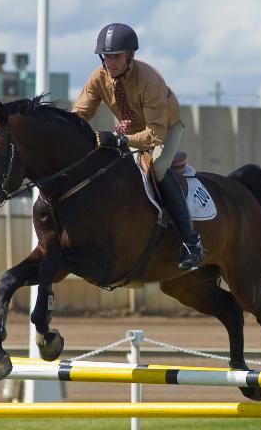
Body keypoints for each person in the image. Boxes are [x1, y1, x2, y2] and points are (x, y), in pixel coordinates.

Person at [72, 22, 205, 271]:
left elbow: (154, 135)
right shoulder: (99, 77)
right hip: (130, 130)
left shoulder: (148, 80)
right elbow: (80, 113)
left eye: (115, 56)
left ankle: (192, 242)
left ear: (131, 54)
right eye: (106, 56)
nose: (110, 62)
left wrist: (121, 141)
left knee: (156, 168)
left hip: (164, 129)